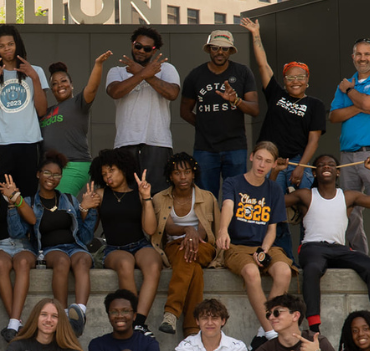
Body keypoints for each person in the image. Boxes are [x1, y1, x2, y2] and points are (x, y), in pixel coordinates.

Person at [242, 17, 325, 259]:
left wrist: (300, 167)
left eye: (300, 77)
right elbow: (263, 65)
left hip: (298, 161)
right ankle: (282, 257)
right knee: (273, 212)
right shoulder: (276, 94)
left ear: (307, 81)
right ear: (284, 80)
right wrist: (255, 33)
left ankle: (308, 256)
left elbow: (314, 140)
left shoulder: (315, 105)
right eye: (290, 77)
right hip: (271, 163)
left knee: (308, 211)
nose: (295, 81)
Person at [6, 150, 99, 337]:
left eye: (57, 175)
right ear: (38, 174)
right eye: (47, 173)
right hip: (49, 250)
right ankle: (63, 314)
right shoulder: (29, 203)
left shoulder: (70, 200)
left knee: (83, 259)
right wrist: (12, 204)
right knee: (62, 261)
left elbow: (85, 237)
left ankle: (79, 314)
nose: (52, 178)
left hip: (75, 247)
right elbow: (17, 233)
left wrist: (88, 210)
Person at [217, 141, 292, 349]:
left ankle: (262, 331)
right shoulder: (233, 182)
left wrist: (264, 250)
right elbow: (228, 206)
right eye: (259, 158)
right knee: (251, 272)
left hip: (264, 245)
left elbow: (272, 229)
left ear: (274, 164)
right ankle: (272, 333)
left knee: (284, 271)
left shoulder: (274, 189)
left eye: (267, 161)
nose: (261, 165)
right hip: (237, 246)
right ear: (251, 157)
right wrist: (223, 230)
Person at [284, 154, 370, 335]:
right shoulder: (306, 195)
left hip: (339, 249)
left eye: (331, 164)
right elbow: (272, 201)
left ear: (338, 172)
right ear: (314, 173)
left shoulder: (348, 196)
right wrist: (275, 172)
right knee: (312, 269)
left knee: (367, 264)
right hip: (313, 247)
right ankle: (314, 327)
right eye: (321, 165)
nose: (326, 166)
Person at [147, 152, 221, 336]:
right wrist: (188, 230)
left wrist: (193, 235)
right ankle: (192, 331)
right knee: (192, 266)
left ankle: (171, 313)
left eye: (187, 172)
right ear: (170, 176)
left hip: (203, 247)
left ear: (193, 174)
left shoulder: (207, 197)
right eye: (177, 173)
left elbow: (205, 230)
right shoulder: (159, 198)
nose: (183, 177)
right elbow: (169, 228)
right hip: (174, 247)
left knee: (189, 253)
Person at [180, 29, 259, 196]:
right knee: (205, 199)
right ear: (209, 49)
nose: (220, 52)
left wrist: (236, 100)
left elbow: (254, 109)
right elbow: (184, 111)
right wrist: (204, 125)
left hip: (235, 146)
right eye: (215, 48)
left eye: (224, 48)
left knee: (236, 196)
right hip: (205, 148)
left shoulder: (242, 72)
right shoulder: (195, 75)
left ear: (231, 51)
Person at [90, 149, 162, 333]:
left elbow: (150, 230)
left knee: (154, 264)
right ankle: (135, 321)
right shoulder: (101, 194)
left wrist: (146, 197)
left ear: (123, 169)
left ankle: (139, 322)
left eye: (111, 170)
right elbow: (88, 230)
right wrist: (86, 208)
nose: (108, 176)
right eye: (104, 174)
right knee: (125, 262)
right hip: (113, 249)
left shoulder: (138, 193)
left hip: (139, 244)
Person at [105, 27, 180, 193]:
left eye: (147, 48)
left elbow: (173, 93)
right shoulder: (117, 71)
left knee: (158, 196)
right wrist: (142, 74)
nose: (141, 51)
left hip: (158, 142)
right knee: (128, 196)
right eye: (138, 46)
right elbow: (115, 92)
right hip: (125, 142)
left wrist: (144, 73)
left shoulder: (166, 69)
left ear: (154, 51)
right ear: (132, 44)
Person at [0, 25, 49, 198]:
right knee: (3, 196)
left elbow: (42, 110)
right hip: (3, 144)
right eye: (1, 46)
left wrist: (34, 78)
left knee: (28, 196)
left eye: (10, 44)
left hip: (30, 142)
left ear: (17, 44)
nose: (7, 49)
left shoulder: (36, 71)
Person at [0, 151, 36, 342]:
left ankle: (13, 324)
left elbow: (32, 219)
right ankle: (16, 323)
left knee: (22, 263)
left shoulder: (8, 193)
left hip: (23, 244)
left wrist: (15, 198)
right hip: (0, 246)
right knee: (0, 264)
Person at [41, 51, 112, 195]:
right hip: (52, 169)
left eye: (63, 81)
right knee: (53, 204)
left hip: (74, 164)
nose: (59, 85)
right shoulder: (45, 112)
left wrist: (98, 64)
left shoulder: (77, 103)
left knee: (59, 201)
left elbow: (92, 88)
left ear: (71, 84)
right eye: (54, 84)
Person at [329, 38, 370, 252]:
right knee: (350, 209)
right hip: (347, 156)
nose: (363, 58)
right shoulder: (346, 83)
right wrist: (361, 106)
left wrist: (350, 92)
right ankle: (361, 257)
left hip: (369, 154)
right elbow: (334, 116)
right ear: (353, 57)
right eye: (359, 54)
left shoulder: (347, 86)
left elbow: (367, 103)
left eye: (367, 54)